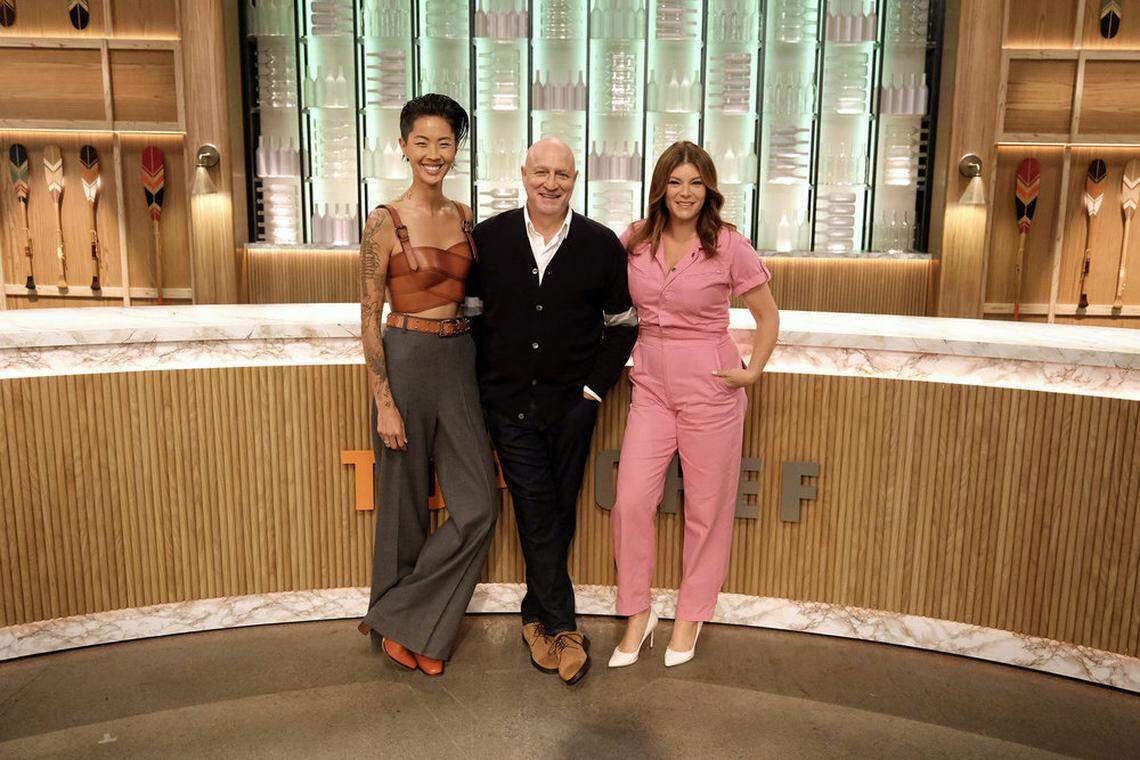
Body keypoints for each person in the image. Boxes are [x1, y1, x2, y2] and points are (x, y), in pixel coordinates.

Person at [466, 137, 638, 685]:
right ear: (522, 174)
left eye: (561, 174)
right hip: (508, 405)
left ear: (575, 178)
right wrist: (485, 381)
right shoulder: (488, 240)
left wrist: (593, 389)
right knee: (537, 508)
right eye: (541, 172)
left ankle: (533, 617)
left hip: (573, 406)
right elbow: (471, 316)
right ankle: (564, 628)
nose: (550, 183)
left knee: (558, 512)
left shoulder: (600, 244)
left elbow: (624, 324)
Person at [608, 140, 779, 669]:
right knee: (632, 500)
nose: (685, 193)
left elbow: (768, 317)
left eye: (696, 183)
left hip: (711, 384)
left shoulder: (729, 245)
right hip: (651, 386)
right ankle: (638, 611)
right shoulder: (634, 239)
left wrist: (750, 371)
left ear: (709, 190)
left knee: (707, 509)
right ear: (661, 187)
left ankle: (690, 613)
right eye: (676, 182)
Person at [355, 94, 499, 678]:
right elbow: (367, 315)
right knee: (403, 509)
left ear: (456, 149)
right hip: (406, 356)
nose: (433, 154)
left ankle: (399, 616)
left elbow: (483, 298)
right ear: (404, 146)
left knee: (478, 507)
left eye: (445, 143)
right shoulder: (383, 221)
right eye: (423, 143)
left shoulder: (465, 217)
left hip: (458, 358)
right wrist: (383, 402)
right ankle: (402, 630)